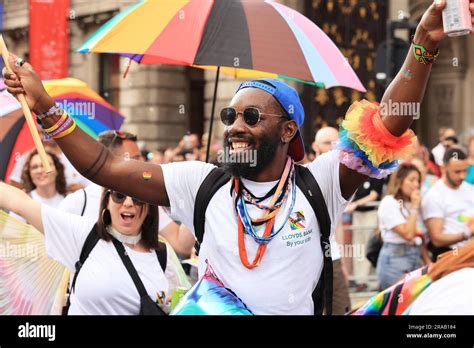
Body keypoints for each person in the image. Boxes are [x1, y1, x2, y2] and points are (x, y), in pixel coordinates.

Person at [5, 0, 469, 314]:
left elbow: (388, 123)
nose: (235, 126)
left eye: (251, 116)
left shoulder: (320, 184)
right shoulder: (199, 183)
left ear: (289, 131)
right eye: (230, 114)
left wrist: (424, 44)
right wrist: (46, 106)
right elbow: (104, 168)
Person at [0, 182, 190, 315]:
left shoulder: (162, 256)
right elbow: (20, 203)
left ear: (149, 208)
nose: (128, 203)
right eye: (119, 195)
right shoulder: (82, 235)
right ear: (106, 201)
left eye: (139, 198)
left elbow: (176, 307)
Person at [58, 130, 195, 256]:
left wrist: (193, 197)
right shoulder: (78, 202)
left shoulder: (145, 198)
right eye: (136, 157)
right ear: (111, 159)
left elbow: (181, 244)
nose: (143, 162)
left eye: (141, 157)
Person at [313, 126, 351, 314]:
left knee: (341, 309)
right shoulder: (303, 173)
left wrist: (342, 261)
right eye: (327, 143)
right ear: (315, 146)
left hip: (332, 258)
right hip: (306, 261)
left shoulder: (343, 179)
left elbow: (338, 225)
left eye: (336, 143)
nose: (332, 147)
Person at [376, 163, 427, 289]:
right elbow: (408, 234)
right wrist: (415, 207)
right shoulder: (389, 203)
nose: (416, 185)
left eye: (418, 180)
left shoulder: (411, 203)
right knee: (396, 303)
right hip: (395, 260)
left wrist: (428, 262)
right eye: (412, 180)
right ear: (399, 180)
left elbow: (418, 236)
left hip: (415, 257)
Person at [422, 148, 474, 261]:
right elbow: (437, 239)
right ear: (444, 168)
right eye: (457, 172)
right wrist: (467, 234)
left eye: (465, 171)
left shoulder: (470, 189)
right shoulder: (434, 196)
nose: (462, 176)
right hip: (450, 256)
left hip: (470, 253)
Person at [9, 149, 66, 224]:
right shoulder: (21, 203)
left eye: (45, 165)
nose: (39, 171)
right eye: (34, 167)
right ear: (29, 173)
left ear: (57, 169)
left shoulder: (70, 200)